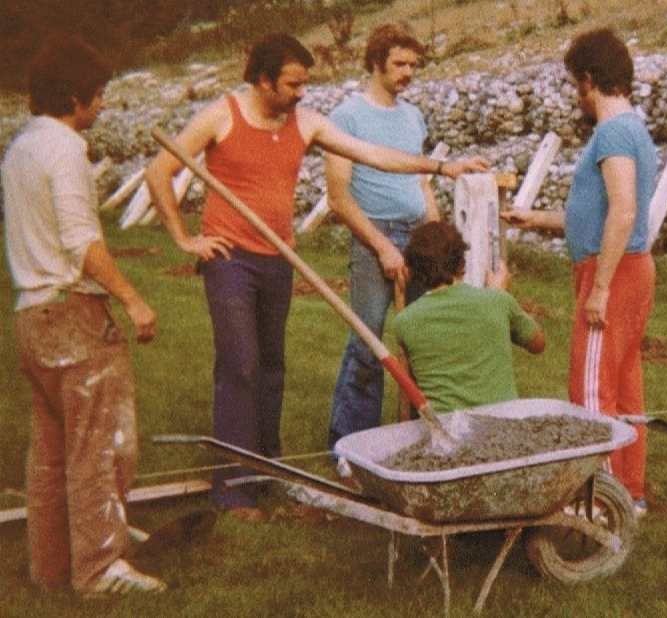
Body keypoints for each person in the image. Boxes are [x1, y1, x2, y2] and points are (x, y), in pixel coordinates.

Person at [144, 33, 486, 522]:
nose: (302, 92)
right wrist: (184, 239)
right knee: (240, 365)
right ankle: (234, 490)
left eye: (305, 83)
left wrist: (440, 166)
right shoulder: (221, 116)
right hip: (230, 258)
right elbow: (160, 171)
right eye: (292, 83)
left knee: (272, 367)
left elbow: (372, 154)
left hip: (278, 255)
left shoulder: (304, 123)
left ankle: (270, 467)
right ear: (263, 80)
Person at [2, 36, 165, 594]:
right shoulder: (66, 148)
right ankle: (100, 568)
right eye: (97, 97)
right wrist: (131, 297)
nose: (100, 107)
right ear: (74, 97)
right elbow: (80, 240)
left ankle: (50, 568)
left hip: (30, 314)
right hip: (72, 310)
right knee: (101, 444)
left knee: (49, 450)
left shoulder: (20, 146)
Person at [501, 28, 656, 516]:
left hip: (612, 272)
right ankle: (629, 492)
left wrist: (601, 288)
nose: (576, 96)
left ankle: (599, 502)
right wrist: (539, 219)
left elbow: (624, 212)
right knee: (625, 383)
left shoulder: (612, 132)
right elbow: (601, 213)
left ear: (589, 79)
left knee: (590, 389)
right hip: (632, 267)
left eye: (575, 84)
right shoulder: (634, 128)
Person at [325, 23, 440, 451]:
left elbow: (422, 183)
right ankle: (351, 445)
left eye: (414, 64)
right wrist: (382, 245)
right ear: (377, 63)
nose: (408, 72)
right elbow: (338, 197)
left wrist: (436, 237)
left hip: (416, 236)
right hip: (376, 235)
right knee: (369, 341)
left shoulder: (413, 116)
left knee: (426, 337)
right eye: (399, 64)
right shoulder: (348, 116)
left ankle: (420, 440)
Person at [392, 221, 545, 413]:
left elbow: (408, 378)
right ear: (462, 264)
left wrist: (400, 296)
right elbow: (538, 344)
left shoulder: (404, 322)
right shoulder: (497, 301)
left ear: (412, 270)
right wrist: (499, 296)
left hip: (448, 432)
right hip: (504, 427)